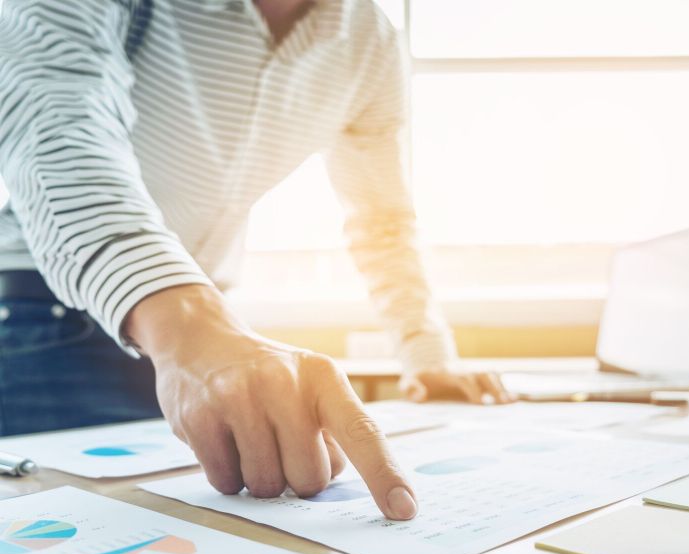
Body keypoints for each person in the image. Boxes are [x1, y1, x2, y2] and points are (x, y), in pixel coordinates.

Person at [0, 0, 509, 521]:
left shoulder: (369, 41)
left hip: (200, 347)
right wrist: (186, 324)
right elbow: (56, 120)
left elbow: (382, 220)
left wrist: (430, 359)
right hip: (49, 325)